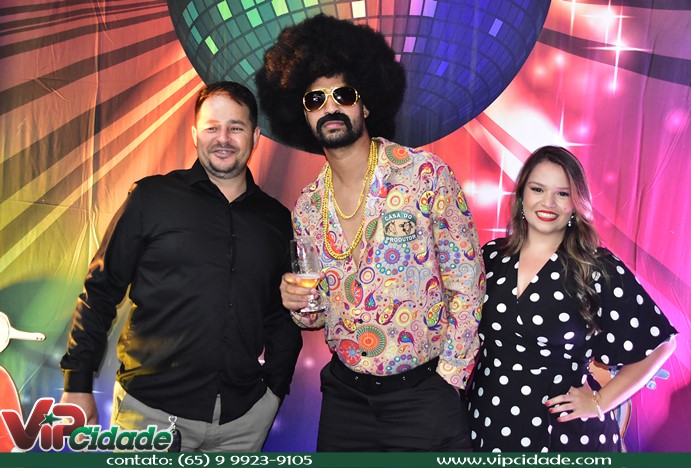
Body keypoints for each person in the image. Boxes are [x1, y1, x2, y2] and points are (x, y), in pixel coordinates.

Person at [255, 15, 485, 452]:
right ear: (302, 114)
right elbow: (317, 315)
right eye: (315, 99)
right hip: (345, 400)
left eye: (343, 94)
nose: (330, 107)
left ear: (365, 104)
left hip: (424, 396)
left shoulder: (425, 175)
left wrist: (449, 380)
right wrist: (298, 304)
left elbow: (467, 284)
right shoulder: (307, 206)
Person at [59, 82, 302, 452]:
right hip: (150, 415)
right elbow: (100, 291)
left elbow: (283, 314)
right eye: (212, 127)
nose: (223, 138)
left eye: (236, 127)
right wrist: (77, 383)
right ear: (194, 134)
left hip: (243, 423)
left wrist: (274, 391)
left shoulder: (277, 220)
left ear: (255, 136)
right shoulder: (151, 198)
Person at [467, 146, 677, 452]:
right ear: (522, 194)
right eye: (537, 189)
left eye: (562, 194)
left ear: (576, 203)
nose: (548, 203)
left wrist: (600, 401)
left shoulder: (596, 267)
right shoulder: (492, 256)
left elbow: (661, 343)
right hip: (486, 418)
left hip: (562, 432)